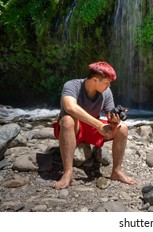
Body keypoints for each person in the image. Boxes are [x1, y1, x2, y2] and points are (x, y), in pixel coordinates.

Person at [53, 61, 135, 189]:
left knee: (122, 129)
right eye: (107, 82)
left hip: (92, 128)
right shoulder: (72, 85)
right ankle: (68, 173)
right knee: (68, 120)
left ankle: (116, 172)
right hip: (73, 128)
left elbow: (109, 116)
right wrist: (98, 125)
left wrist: (114, 120)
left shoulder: (106, 93)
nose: (108, 86)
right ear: (95, 80)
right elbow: (70, 107)